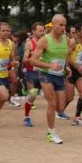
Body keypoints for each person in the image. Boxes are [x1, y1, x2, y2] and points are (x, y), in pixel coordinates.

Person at [30, 14, 73, 144]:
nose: (63, 27)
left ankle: (36, 93)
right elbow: (32, 60)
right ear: (53, 25)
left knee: (60, 108)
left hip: (59, 75)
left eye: (65, 25)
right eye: (61, 25)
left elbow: (65, 55)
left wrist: (67, 67)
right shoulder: (45, 40)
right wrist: (50, 65)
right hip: (46, 74)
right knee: (52, 103)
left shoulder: (66, 39)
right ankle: (51, 133)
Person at [65, 23, 82, 127]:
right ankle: (60, 109)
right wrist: (77, 66)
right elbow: (67, 57)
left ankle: (77, 118)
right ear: (78, 32)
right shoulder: (72, 42)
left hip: (78, 73)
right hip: (70, 71)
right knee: (70, 98)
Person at [22, 22, 45, 127]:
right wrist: (33, 59)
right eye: (40, 30)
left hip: (42, 72)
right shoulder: (29, 43)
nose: (42, 32)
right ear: (33, 32)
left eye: (42, 30)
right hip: (31, 72)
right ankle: (26, 117)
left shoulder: (45, 42)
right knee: (33, 95)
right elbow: (24, 60)